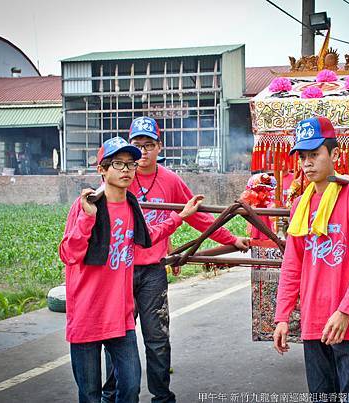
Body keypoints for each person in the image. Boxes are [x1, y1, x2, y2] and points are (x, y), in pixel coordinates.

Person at [102, 117, 249, 403]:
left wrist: (231, 240)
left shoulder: (169, 180)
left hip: (152, 271)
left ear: (160, 147)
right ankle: (112, 395)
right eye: (137, 146)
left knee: (157, 339)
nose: (143, 152)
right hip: (120, 270)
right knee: (117, 337)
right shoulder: (119, 178)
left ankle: (162, 396)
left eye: (149, 145)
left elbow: (197, 215)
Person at [59, 137, 204, 403]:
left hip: (120, 317)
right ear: (102, 169)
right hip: (87, 316)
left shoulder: (131, 207)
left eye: (130, 164)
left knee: (129, 389)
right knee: (90, 395)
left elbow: (147, 237)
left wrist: (180, 217)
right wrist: (87, 218)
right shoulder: (86, 207)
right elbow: (69, 254)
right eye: (117, 164)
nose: (126, 170)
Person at [273, 116, 349, 393]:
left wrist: (345, 311)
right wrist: (282, 316)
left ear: (335, 154)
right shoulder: (300, 204)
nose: (307, 162)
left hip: (348, 322)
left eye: (315, 154)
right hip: (312, 319)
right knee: (321, 396)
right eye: (303, 156)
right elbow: (292, 264)